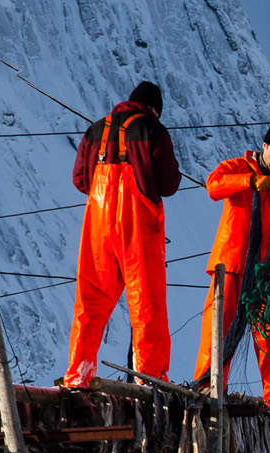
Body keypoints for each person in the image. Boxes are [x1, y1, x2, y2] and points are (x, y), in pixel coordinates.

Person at [62, 80, 181, 387]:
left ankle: (78, 376)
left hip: (98, 225)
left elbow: (80, 180)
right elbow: (168, 184)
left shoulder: (95, 130)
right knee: (146, 305)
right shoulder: (154, 130)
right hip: (136, 229)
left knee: (89, 304)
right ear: (154, 110)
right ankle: (151, 380)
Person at [192, 119, 270, 406]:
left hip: (269, 277)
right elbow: (214, 185)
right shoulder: (236, 167)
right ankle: (207, 392)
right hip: (231, 268)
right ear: (263, 147)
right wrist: (247, 181)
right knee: (217, 334)